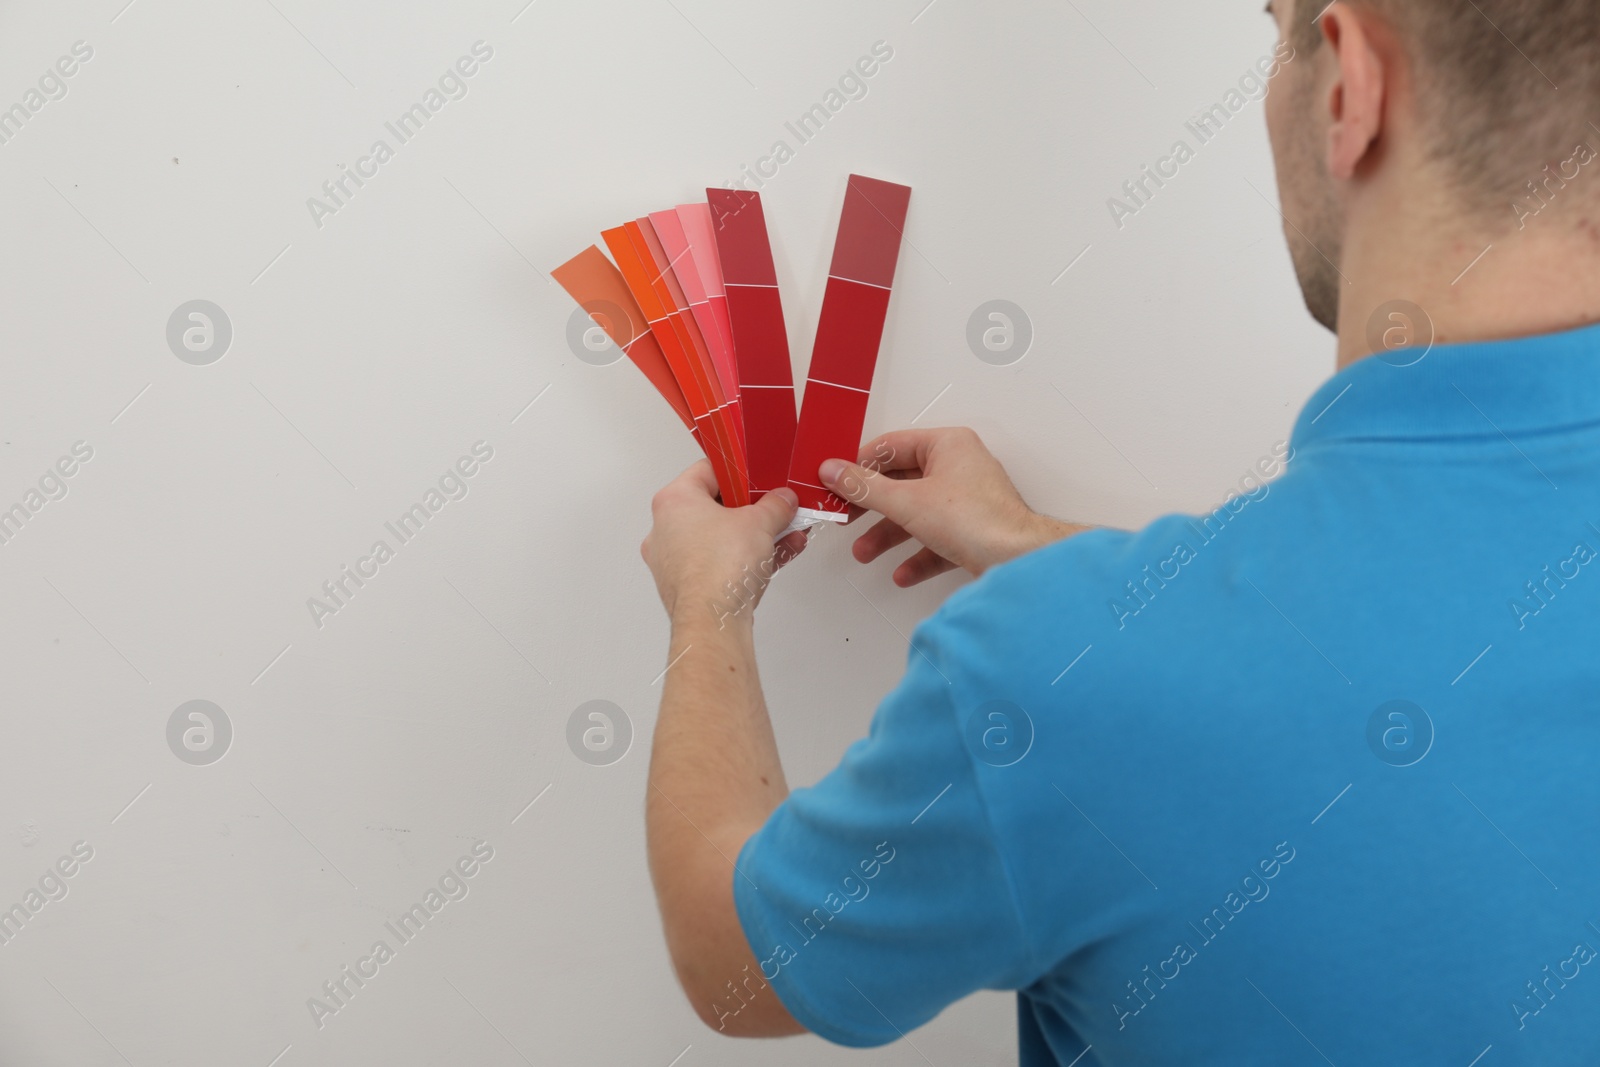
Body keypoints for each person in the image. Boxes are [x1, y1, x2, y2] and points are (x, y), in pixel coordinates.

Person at [640, 0, 1600, 1061]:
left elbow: (739, 964)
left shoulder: (1051, 671)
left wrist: (706, 607)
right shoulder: (1088, 655)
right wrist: (1039, 548)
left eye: (1276, 31)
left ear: (1349, 86)